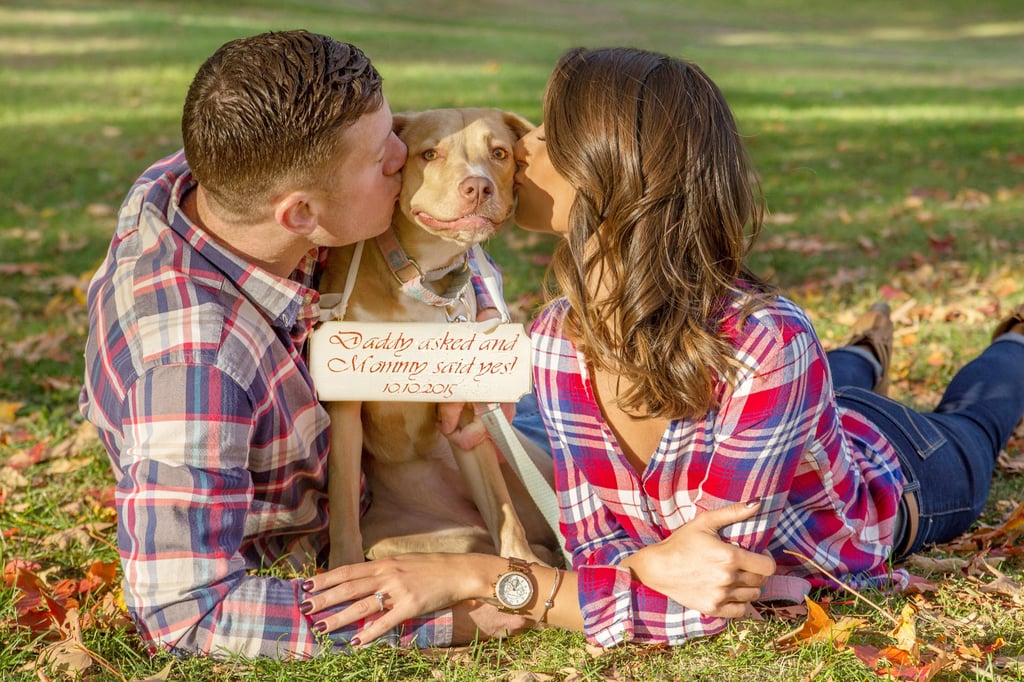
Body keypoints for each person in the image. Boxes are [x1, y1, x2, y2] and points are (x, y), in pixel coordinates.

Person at [302, 46, 1024, 649]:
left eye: (550, 138)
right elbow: (601, 560)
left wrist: (483, 578)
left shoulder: (768, 343)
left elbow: (705, 598)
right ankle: (862, 352)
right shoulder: (558, 340)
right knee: (833, 378)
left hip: (891, 479)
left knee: (978, 417)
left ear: (613, 174)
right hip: (792, 417)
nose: (519, 150)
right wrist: (627, 570)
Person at [79, 29, 527, 659]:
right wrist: (460, 614)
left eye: (391, 136)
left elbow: (446, 228)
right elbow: (186, 615)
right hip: (341, 517)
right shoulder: (195, 368)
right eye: (382, 160)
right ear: (299, 215)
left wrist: (480, 314)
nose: (403, 155)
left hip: (409, 442)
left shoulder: (220, 177)